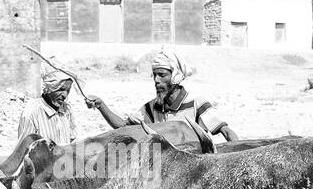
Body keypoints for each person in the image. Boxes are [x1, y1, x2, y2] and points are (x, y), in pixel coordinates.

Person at [84, 47, 239, 142]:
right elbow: (122, 127)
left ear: (176, 76)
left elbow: (225, 131)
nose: (157, 80)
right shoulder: (151, 108)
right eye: (154, 75)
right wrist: (100, 105)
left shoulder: (196, 103)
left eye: (162, 75)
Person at [17, 65, 78, 145]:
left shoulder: (66, 109)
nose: (65, 95)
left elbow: (72, 140)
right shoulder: (32, 112)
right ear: (49, 88)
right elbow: (25, 151)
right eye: (61, 89)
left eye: (68, 90)